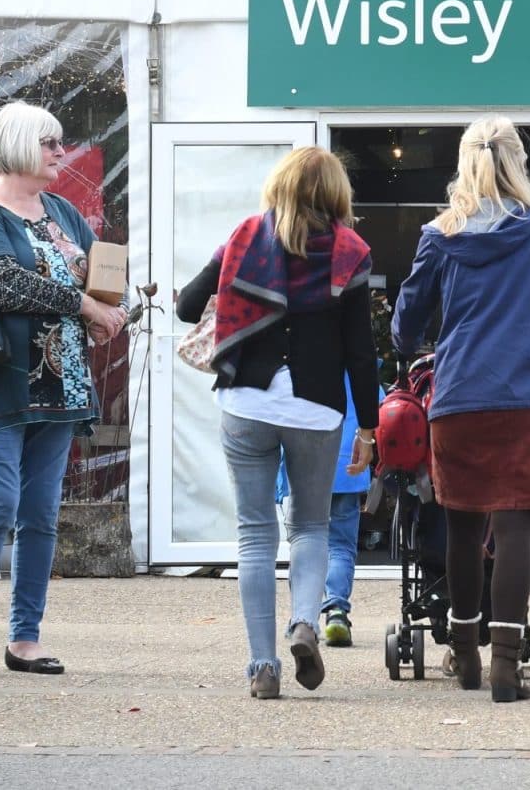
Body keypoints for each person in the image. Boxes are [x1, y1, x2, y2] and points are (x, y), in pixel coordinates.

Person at [177, 146, 377, 699]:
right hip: (316, 409)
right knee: (311, 527)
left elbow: (187, 306)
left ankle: (263, 667)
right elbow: (362, 353)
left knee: (254, 535)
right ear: (336, 193)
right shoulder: (350, 252)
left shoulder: (245, 237)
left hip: (246, 404)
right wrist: (369, 428)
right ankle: (306, 622)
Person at [391, 116, 530, 703]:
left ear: (463, 162)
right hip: (527, 396)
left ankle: (465, 654)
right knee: (517, 524)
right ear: (518, 162)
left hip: (460, 396)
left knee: (463, 527)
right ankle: (504, 663)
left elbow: (404, 328)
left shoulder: (438, 235)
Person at [0, 102, 127, 683]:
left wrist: (113, 302)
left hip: (60, 380)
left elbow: (99, 270)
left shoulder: (63, 212)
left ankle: (25, 638)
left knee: (41, 515)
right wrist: (83, 303)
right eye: (50, 142)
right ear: (22, 145)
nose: (59, 152)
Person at [273, 379, 380, 650]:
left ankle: (302, 617)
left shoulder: (300, 363)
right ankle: (337, 613)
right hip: (348, 468)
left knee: (305, 543)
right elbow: (378, 406)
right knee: (341, 546)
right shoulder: (357, 367)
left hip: (306, 468)